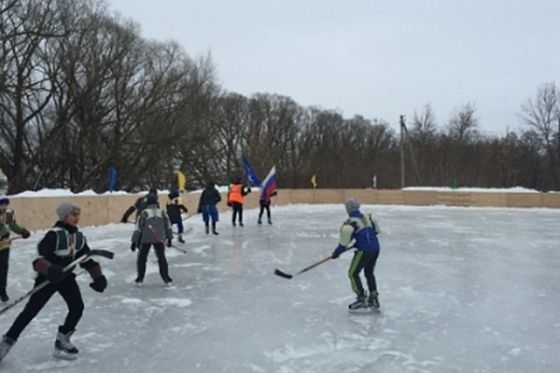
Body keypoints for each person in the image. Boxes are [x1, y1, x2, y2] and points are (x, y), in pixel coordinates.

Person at [0, 203, 108, 361]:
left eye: (78, 214)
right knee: (30, 312)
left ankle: (62, 341)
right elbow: (38, 258)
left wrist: (98, 277)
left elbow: (86, 258)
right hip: (47, 279)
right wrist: (49, 269)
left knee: (77, 307)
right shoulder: (53, 235)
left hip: (66, 278)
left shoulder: (79, 237)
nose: (76, 218)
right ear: (64, 216)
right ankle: (6, 343)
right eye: (73, 214)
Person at [331, 198, 381, 310]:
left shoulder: (350, 222)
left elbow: (344, 244)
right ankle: (374, 298)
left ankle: (361, 298)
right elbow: (376, 232)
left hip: (364, 251)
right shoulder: (367, 218)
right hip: (376, 249)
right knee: (369, 273)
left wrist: (336, 253)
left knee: (352, 273)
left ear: (348, 209)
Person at [131, 193, 173, 287]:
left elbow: (138, 228)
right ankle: (166, 278)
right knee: (161, 258)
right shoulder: (162, 212)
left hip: (146, 239)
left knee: (142, 258)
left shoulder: (144, 213)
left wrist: (134, 241)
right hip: (159, 238)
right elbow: (168, 226)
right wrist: (169, 238)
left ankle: (140, 278)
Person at [0, 196, 31, 302]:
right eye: (1, 204)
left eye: (5, 204)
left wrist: (23, 231)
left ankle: (2, 291)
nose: (4, 207)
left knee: (3, 268)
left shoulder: (8, 213)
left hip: (4, 245)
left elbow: (12, 225)